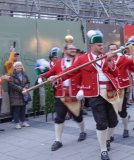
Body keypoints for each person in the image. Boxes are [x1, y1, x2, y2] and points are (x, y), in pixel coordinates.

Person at [50, 30, 119, 160]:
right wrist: (57, 76)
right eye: (98, 45)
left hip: (110, 91)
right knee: (101, 123)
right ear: (91, 46)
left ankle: (108, 139)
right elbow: (71, 71)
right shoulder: (83, 59)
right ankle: (103, 150)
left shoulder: (107, 56)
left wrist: (110, 60)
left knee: (113, 121)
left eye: (102, 44)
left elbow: (115, 73)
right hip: (94, 93)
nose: (101, 46)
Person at [42, 41, 87, 151]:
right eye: (70, 49)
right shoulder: (58, 63)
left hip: (74, 95)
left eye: (74, 49)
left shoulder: (80, 62)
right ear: (65, 50)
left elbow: (85, 77)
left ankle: (82, 131)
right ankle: (58, 140)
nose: (73, 50)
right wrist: (42, 76)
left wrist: (82, 90)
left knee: (78, 117)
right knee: (59, 117)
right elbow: (51, 73)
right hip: (60, 95)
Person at [108, 43, 134, 138]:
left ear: (118, 50)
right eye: (111, 49)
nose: (113, 51)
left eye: (115, 49)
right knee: (112, 112)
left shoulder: (123, 58)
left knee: (122, 111)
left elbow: (133, 65)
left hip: (122, 88)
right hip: (111, 89)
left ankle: (126, 128)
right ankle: (110, 134)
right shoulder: (106, 59)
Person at [8, 62, 30, 129]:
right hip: (15, 95)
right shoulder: (12, 75)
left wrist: (26, 88)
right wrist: (21, 89)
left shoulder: (24, 74)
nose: (19, 67)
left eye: (20, 66)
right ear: (15, 67)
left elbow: (28, 82)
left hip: (24, 94)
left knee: (23, 108)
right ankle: (17, 123)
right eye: (17, 66)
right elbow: (11, 84)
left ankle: (23, 122)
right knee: (16, 109)